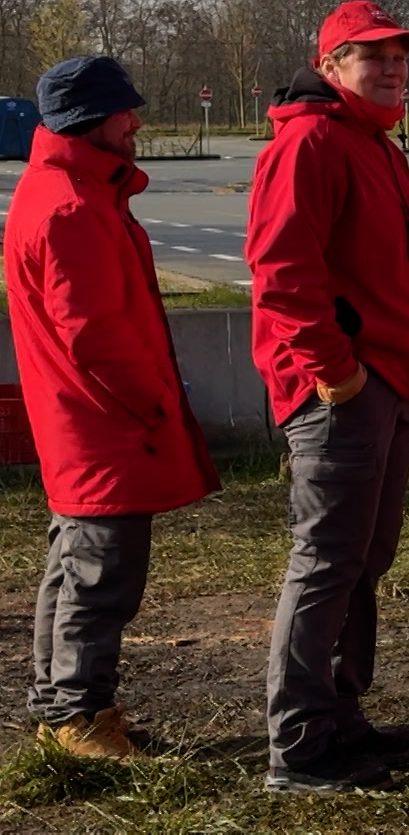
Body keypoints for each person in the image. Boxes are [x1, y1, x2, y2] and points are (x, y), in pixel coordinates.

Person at [250, 0, 409, 793]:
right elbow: (281, 275)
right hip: (338, 394)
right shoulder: (311, 142)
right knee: (326, 562)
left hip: (381, 382)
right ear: (332, 65)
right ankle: (299, 748)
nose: (392, 67)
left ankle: (340, 716)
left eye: (400, 57)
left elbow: (387, 289)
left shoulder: (374, 145)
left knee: (361, 560)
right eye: (371, 55)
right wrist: (335, 373)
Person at [4, 56, 220, 759]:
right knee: (101, 577)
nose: (136, 122)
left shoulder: (64, 190)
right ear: (89, 121)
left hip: (82, 422)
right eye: (124, 112)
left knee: (72, 566)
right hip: (105, 426)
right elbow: (94, 333)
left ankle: (60, 709)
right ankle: (78, 718)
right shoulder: (71, 206)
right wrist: (155, 403)